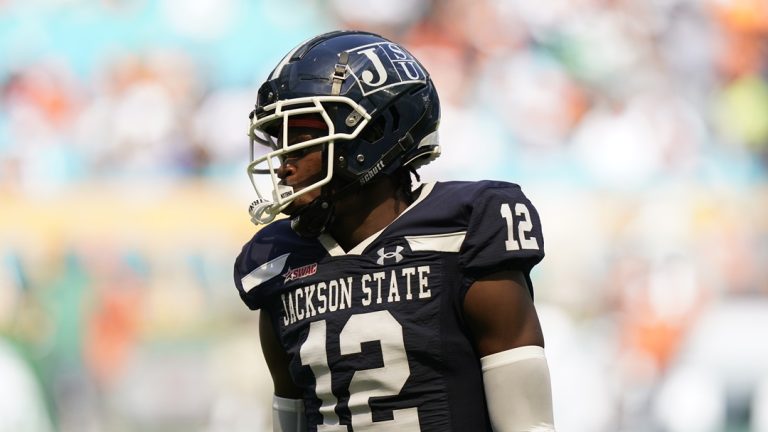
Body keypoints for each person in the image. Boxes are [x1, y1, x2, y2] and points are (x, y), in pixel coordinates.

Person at [233, 30, 555, 432]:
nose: (282, 164)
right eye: (278, 142)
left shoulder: (463, 228)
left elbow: (527, 423)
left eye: (300, 141)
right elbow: (291, 419)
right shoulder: (275, 260)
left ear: (374, 133)